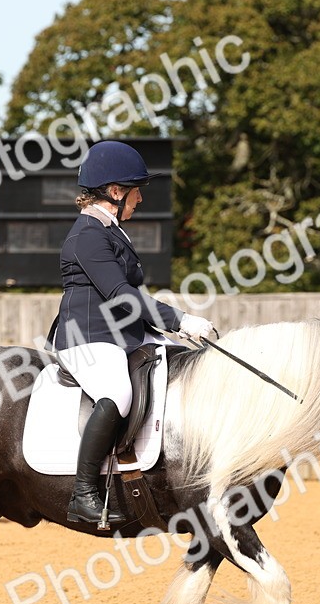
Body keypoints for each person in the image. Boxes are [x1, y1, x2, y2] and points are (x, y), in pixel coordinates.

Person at [47, 140, 217, 525]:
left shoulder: (111, 230)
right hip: (87, 338)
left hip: (125, 334)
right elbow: (120, 294)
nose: (140, 198)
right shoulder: (87, 235)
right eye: (136, 190)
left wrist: (174, 334)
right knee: (118, 392)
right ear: (115, 192)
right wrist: (179, 320)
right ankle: (83, 491)